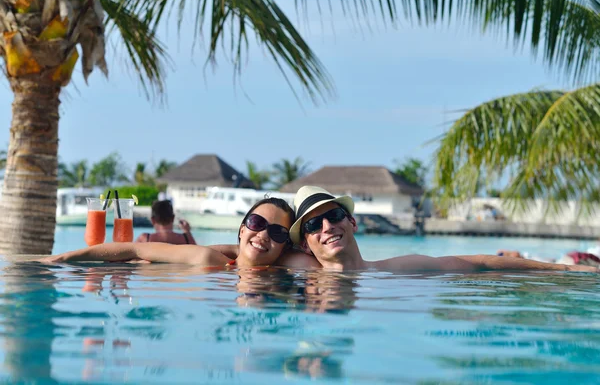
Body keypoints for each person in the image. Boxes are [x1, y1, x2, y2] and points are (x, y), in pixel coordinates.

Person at [289, 186, 600, 273]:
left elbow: (478, 263)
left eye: (334, 215)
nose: (327, 226)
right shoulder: (297, 273)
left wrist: (562, 269)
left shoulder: (396, 268)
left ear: (352, 222)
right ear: (304, 244)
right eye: (314, 224)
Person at [41, 198, 301, 269]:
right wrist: (61, 259)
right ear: (242, 227)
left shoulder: (292, 267)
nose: (264, 235)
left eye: (278, 232)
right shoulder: (208, 259)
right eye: (257, 222)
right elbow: (134, 248)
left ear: (286, 245)